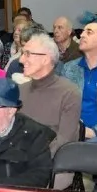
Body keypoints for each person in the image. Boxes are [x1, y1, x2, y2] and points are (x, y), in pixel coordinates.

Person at [18, 31, 82, 159]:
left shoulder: (69, 92)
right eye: (22, 54)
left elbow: (64, 141)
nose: (21, 59)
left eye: (27, 54)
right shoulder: (19, 90)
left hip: (54, 162)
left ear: (45, 59)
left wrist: (31, 159)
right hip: (18, 159)